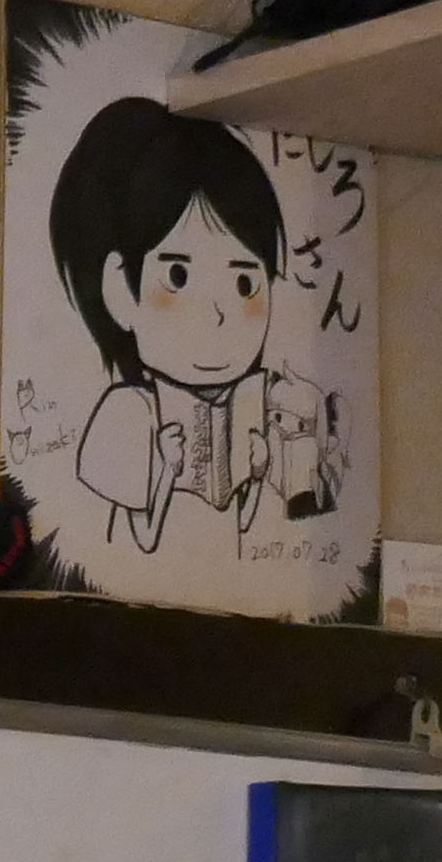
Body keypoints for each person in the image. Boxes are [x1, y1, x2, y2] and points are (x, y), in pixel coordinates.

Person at [44, 98, 330, 554]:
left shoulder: (251, 405)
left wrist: (257, 473)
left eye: (245, 283)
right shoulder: (128, 414)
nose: (217, 313)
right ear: (120, 292)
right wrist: (164, 469)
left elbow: (246, 530)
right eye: (178, 276)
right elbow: (141, 539)